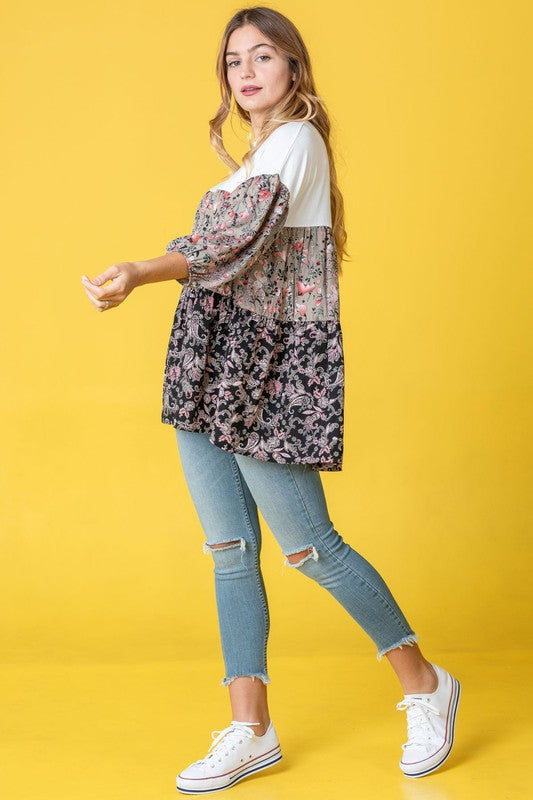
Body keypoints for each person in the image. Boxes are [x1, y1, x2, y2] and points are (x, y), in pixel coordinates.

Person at [80, 5, 461, 794]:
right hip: (213, 362)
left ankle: (424, 684)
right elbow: (230, 245)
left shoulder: (295, 142)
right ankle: (249, 728)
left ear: (293, 66)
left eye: (262, 56)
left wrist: (139, 269)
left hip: (267, 371)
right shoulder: (256, 156)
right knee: (229, 551)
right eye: (232, 61)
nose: (245, 71)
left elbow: (230, 241)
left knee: (308, 545)